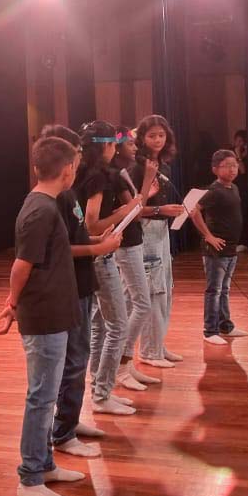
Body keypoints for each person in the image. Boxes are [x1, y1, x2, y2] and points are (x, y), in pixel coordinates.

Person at [0, 136, 88, 496]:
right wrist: (13, 303)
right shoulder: (41, 211)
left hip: (55, 313)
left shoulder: (46, 206)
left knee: (45, 396)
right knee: (41, 398)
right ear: (67, 170)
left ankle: (45, 465)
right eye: (75, 167)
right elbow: (21, 265)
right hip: (44, 318)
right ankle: (30, 477)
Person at [39, 125, 122, 458]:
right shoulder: (52, 200)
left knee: (79, 357)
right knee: (72, 361)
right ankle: (62, 432)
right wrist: (99, 248)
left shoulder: (69, 194)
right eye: (75, 155)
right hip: (70, 285)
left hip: (83, 282)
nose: (77, 162)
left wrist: (98, 241)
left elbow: (77, 235)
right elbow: (60, 250)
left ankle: (69, 421)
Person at [74, 121, 141, 416]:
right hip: (100, 256)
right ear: (105, 146)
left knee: (101, 324)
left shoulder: (84, 172)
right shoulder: (97, 176)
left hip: (96, 257)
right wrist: (124, 212)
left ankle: (99, 388)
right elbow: (92, 224)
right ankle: (102, 393)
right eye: (113, 144)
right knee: (118, 325)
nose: (116, 149)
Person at [128, 115, 187, 370]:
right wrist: (161, 209)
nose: (157, 140)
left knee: (166, 288)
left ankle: (158, 344)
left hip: (161, 230)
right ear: (141, 138)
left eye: (161, 135)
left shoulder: (164, 166)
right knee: (154, 291)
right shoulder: (137, 167)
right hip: (145, 230)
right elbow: (132, 209)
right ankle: (150, 351)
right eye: (152, 135)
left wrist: (170, 210)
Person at [113, 128, 161, 391]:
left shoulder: (122, 172)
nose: (135, 147)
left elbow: (136, 206)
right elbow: (136, 211)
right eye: (129, 144)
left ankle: (127, 363)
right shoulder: (117, 175)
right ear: (116, 147)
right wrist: (148, 180)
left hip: (133, 241)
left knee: (135, 303)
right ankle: (121, 363)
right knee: (142, 304)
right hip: (125, 244)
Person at [189, 149, 248, 346]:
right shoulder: (214, 191)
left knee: (224, 289)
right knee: (214, 290)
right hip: (216, 250)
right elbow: (193, 210)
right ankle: (210, 330)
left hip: (231, 249)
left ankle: (226, 326)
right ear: (215, 169)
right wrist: (208, 236)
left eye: (235, 165)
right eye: (227, 166)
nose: (232, 169)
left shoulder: (234, 188)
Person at [232, 130, 248, 251]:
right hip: (232, 187)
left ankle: (243, 242)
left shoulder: (247, 155)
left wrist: (239, 156)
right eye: (237, 141)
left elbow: (243, 171)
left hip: (244, 188)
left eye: (242, 141)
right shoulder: (230, 154)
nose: (239, 143)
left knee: (242, 214)